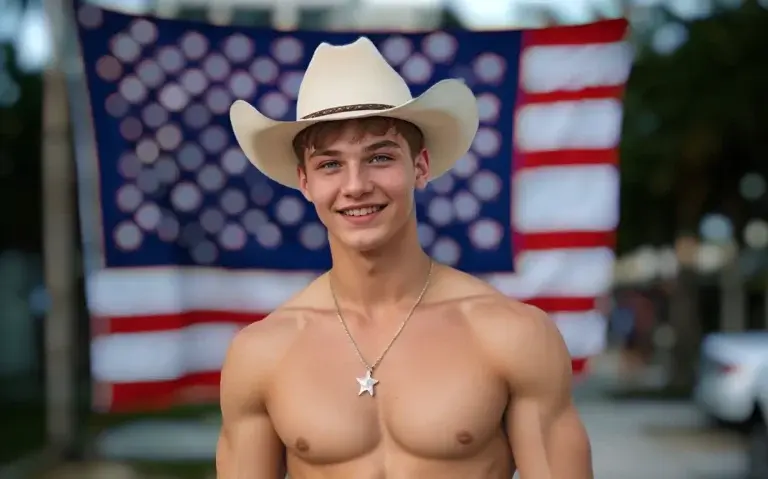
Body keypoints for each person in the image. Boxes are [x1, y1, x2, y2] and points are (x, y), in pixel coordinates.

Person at [217, 37, 592, 479]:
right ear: (305, 181)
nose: (355, 185)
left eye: (379, 157)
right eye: (330, 165)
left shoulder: (512, 335)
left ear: (421, 166)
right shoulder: (262, 352)